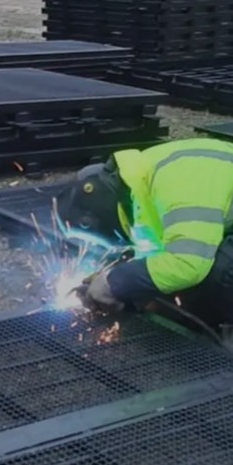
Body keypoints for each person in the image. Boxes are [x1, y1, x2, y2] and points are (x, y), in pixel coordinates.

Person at [55, 137, 233, 327]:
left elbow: (188, 263)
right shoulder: (143, 180)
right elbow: (157, 254)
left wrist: (113, 283)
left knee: (221, 268)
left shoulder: (177, 182)